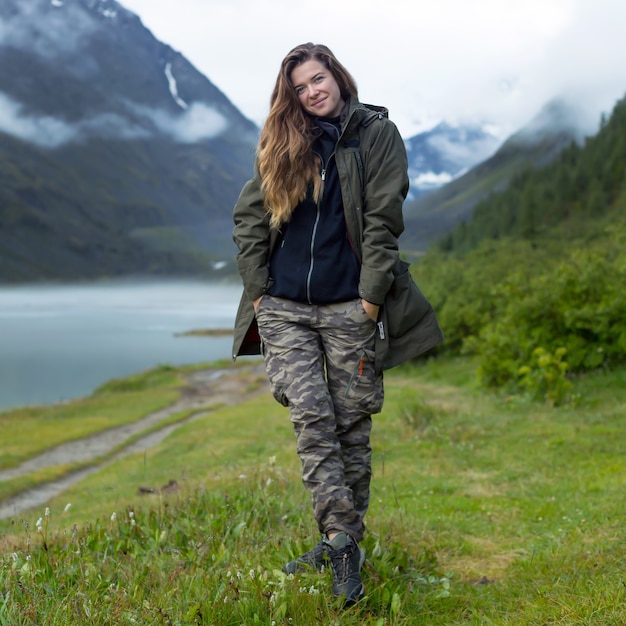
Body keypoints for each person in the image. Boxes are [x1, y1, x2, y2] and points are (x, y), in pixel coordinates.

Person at [232, 42, 443, 607]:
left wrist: (371, 303)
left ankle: (341, 544)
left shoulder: (376, 135)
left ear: (337, 77)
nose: (311, 92)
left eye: (317, 79)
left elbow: (383, 222)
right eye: (299, 87)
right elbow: (249, 218)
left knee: (351, 427)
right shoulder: (282, 141)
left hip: (351, 306)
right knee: (311, 417)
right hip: (285, 310)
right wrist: (259, 295)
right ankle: (343, 543)